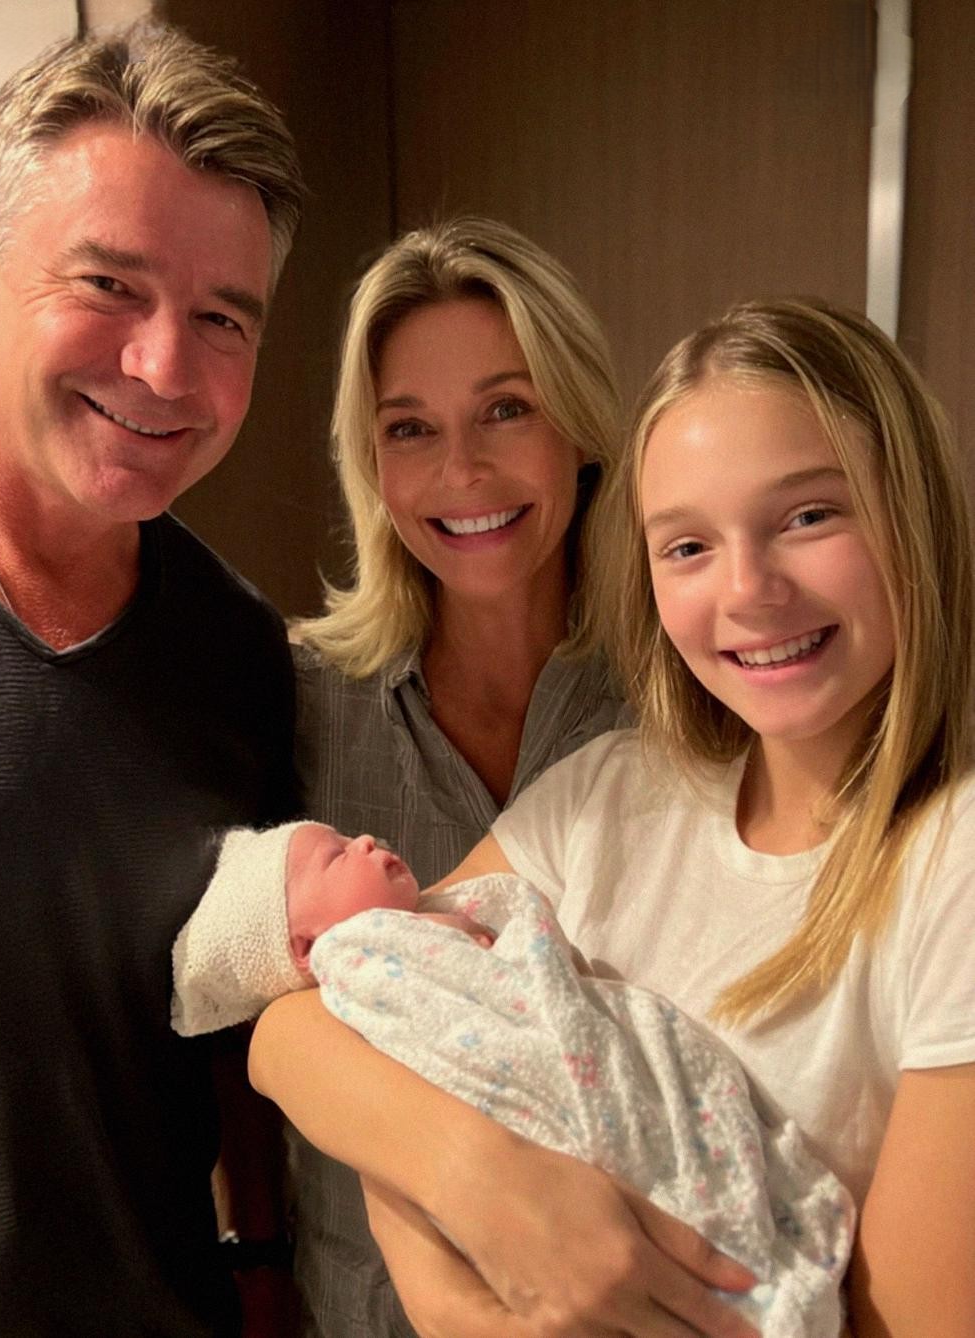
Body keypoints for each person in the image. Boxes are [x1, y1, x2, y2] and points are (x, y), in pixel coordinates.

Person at [248, 298, 975, 1337]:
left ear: (913, 511)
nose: (747, 591)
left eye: (808, 517)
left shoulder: (950, 862)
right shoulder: (614, 790)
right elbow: (304, 1023)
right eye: (687, 546)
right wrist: (472, 1212)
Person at [0, 23, 304, 1338]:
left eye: (221, 317)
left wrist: (262, 1259)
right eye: (109, 285)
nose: (165, 368)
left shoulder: (238, 655)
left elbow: (238, 1015)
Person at [288, 215, 626, 1335]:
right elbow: (239, 1024)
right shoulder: (296, 701)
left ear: (579, 425)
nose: (462, 470)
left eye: (505, 409)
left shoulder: (687, 701)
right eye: (410, 428)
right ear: (372, 463)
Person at [172, 820, 853, 1338]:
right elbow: (289, 1042)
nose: (366, 840)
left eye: (350, 838)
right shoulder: (360, 961)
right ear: (306, 948)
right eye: (336, 855)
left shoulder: (445, 910)